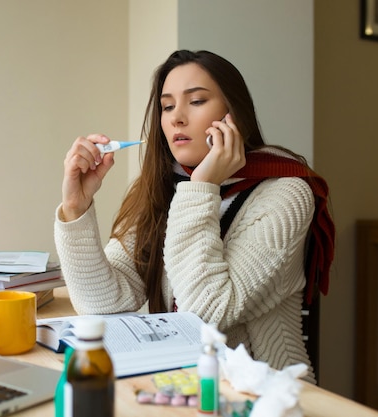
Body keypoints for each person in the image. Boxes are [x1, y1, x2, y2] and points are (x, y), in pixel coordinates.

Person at [54, 50, 334, 383]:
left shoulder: (286, 193)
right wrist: (75, 207)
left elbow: (206, 315)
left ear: (235, 115)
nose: (177, 118)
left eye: (197, 101)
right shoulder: (162, 186)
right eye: (168, 106)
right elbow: (103, 303)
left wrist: (202, 184)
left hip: (261, 393)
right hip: (176, 383)